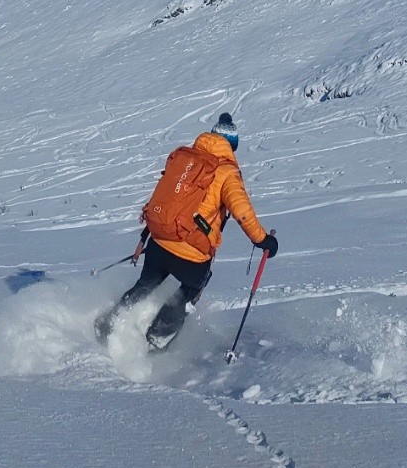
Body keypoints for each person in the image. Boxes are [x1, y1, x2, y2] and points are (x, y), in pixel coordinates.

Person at [96, 113, 278, 350]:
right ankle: (154, 341)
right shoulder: (226, 172)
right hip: (192, 252)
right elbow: (242, 210)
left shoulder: (185, 159)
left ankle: (109, 324)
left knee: (145, 285)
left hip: (160, 240)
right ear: (232, 145)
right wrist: (263, 240)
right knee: (188, 292)